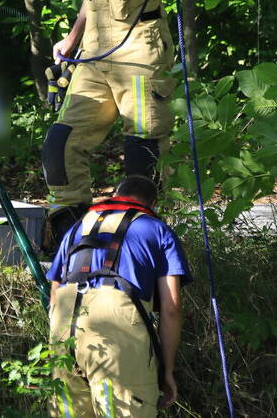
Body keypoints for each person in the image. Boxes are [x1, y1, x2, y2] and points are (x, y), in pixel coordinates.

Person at [41, 0, 199, 250]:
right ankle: (72, 236)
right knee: (60, 144)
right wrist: (71, 40)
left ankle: (135, 240)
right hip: (95, 55)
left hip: (141, 53)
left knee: (142, 149)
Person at [46, 175, 191, 417]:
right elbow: (171, 309)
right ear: (152, 204)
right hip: (117, 333)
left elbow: (55, 289)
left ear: (115, 197)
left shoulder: (77, 227)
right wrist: (166, 370)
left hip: (63, 331)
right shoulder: (157, 230)